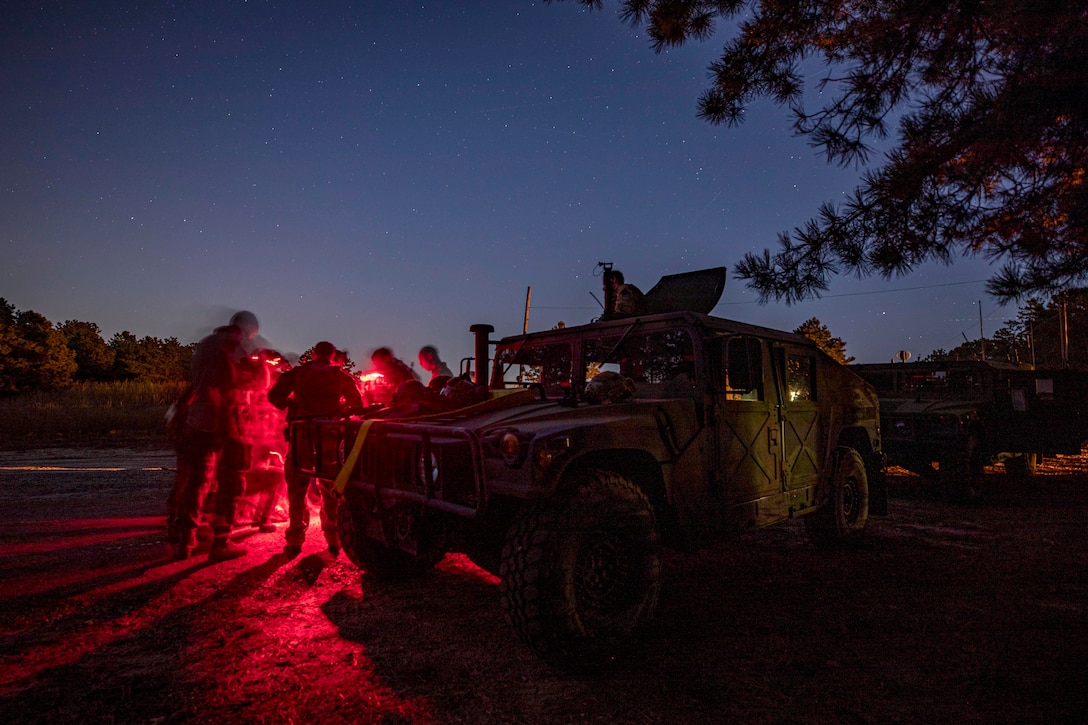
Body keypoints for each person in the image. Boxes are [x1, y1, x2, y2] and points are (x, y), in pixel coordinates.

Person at [174, 310, 264, 562]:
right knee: (232, 481)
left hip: (199, 416)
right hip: (228, 419)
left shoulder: (205, 344)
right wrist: (259, 369)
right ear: (248, 329)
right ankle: (221, 542)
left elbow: (198, 379)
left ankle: (186, 539)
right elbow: (250, 382)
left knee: (198, 479)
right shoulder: (240, 345)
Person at [267, 340, 364, 558]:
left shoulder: (298, 374)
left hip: (300, 435)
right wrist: (340, 411)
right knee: (330, 487)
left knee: (297, 488)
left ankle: (294, 541)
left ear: (313, 355)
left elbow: (274, 396)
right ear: (331, 356)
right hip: (328, 436)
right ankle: (333, 539)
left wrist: (291, 405)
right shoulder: (340, 376)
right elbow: (358, 405)